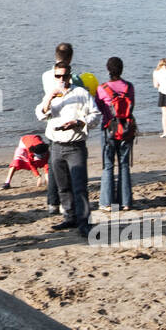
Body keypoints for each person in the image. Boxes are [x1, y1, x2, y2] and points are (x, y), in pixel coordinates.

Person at [36, 59, 102, 236]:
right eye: (58, 76)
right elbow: (40, 115)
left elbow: (96, 115)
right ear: (54, 76)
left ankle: (84, 223)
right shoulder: (51, 93)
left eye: (65, 75)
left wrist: (79, 122)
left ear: (70, 75)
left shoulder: (81, 93)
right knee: (63, 186)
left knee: (79, 186)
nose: (62, 79)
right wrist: (50, 98)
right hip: (56, 145)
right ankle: (69, 217)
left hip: (75, 145)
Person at [96, 57, 137, 213]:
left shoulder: (102, 88)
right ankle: (125, 202)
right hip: (126, 128)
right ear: (122, 69)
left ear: (108, 69)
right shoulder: (129, 87)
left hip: (109, 129)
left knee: (108, 166)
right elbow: (132, 105)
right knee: (124, 165)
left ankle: (107, 203)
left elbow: (98, 108)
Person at [41, 42, 75, 213]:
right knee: (63, 166)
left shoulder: (46, 75)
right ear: (71, 57)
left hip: (51, 122)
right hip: (65, 122)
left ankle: (52, 202)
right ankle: (62, 203)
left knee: (53, 162)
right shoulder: (72, 77)